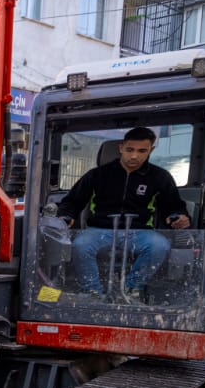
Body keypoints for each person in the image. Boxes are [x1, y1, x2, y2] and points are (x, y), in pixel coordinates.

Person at [56, 127, 191, 299]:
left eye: (142, 151)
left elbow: (173, 205)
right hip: (100, 230)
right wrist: (66, 215)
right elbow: (72, 201)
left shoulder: (160, 177)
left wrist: (179, 216)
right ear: (121, 148)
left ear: (151, 150)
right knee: (80, 245)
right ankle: (93, 293)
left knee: (159, 246)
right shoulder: (98, 175)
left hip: (140, 231)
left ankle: (129, 290)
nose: (134, 156)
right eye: (130, 150)